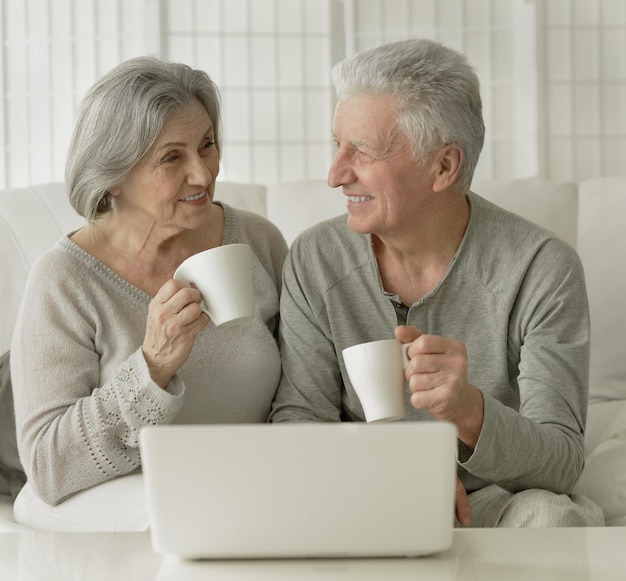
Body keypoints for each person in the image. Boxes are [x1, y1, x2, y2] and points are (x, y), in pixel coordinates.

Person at [269, 39, 604, 528]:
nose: (335, 174)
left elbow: (560, 459)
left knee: (551, 519)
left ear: (444, 166)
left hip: (493, 501)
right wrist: (404, 474)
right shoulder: (315, 259)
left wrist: (468, 410)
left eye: (361, 151)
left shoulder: (542, 268)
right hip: (360, 494)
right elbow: (299, 422)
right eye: (336, 145)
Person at [11, 56, 288, 531]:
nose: (203, 174)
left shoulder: (258, 242)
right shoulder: (64, 279)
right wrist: (153, 368)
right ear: (113, 174)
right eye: (172, 157)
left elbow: (303, 392)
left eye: (207, 146)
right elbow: (48, 465)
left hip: (242, 490)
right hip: (127, 502)